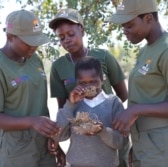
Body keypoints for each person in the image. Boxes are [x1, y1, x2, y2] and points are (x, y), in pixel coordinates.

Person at [109, 0, 168, 166]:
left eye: (129, 25)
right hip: (148, 141)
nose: (125, 31)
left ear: (148, 18)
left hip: (166, 144)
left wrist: (136, 110)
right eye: (123, 26)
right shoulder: (146, 50)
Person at [48, 8, 130, 167]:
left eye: (71, 34)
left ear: (82, 30)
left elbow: (123, 95)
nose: (67, 40)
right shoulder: (58, 67)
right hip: (82, 147)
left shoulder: (104, 56)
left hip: (111, 143)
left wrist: (103, 121)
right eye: (61, 37)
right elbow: (63, 110)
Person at [0, 9, 60, 167]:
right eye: (28, 42)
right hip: (16, 151)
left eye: (36, 41)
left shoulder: (35, 59)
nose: (34, 47)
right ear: (10, 37)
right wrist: (32, 121)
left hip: (43, 145)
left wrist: (51, 136)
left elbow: (39, 105)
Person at [53, 56, 126, 167]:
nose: (88, 87)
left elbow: (121, 142)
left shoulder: (113, 103)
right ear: (76, 82)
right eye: (82, 83)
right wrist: (70, 105)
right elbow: (58, 136)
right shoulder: (73, 105)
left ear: (102, 79)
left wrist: (102, 131)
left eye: (93, 82)